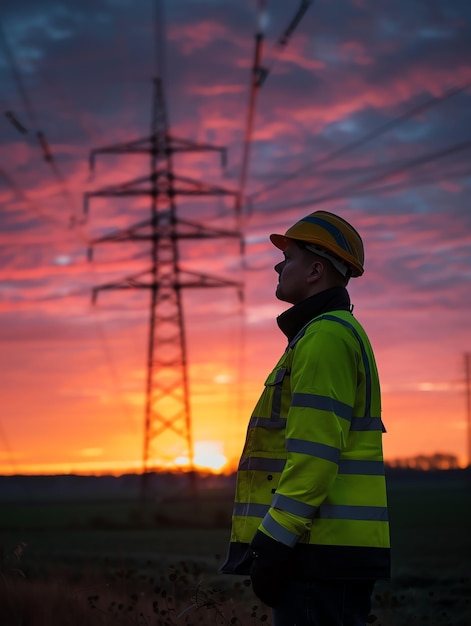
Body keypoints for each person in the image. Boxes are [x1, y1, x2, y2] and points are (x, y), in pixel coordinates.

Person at [221, 210, 390, 626]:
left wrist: (274, 543)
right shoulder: (325, 334)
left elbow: (314, 455)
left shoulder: (324, 338)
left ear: (316, 270)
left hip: (317, 553)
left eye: (289, 256)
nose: (279, 265)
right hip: (323, 553)